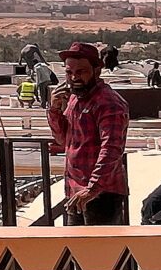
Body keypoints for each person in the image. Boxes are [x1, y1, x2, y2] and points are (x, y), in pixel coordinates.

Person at [46, 41, 130, 225]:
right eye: (69, 72)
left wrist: (93, 188)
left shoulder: (108, 103)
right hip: (75, 191)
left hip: (101, 195)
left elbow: (112, 148)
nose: (74, 77)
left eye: (81, 72)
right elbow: (63, 139)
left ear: (97, 71)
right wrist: (53, 110)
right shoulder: (75, 98)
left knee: (101, 252)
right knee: (75, 251)